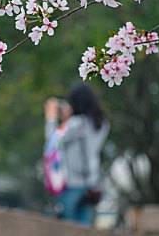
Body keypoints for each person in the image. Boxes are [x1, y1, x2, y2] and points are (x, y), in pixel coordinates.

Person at [44, 83, 109, 226]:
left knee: (68, 228)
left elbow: (53, 141)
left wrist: (51, 118)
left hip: (71, 184)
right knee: (84, 228)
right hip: (91, 185)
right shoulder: (102, 124)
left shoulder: (74, 124)